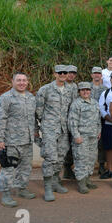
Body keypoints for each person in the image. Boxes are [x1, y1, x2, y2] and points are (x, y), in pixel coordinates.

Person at [0, 72, 36, 207]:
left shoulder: (31, 97)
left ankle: (22, 189)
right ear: (12, 82)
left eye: (24, 80)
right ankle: (6, 195)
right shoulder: (6, 98)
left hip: (27, 140)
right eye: (19, 80)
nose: (22, 83)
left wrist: (35, 133)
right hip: (11, 141)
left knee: (25, 168)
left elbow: (33, 118)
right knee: (9, 169)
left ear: (28, 82)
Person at [35, 65, 74, 202]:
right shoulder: (45, 90)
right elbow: (38, 111)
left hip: (64, 129)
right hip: (50, 129)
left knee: (61, 156)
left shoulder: (70, 90)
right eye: (60, 72)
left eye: (65, 72)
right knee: (50, 157)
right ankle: (47, 187)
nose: (63, 74)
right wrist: (43, 127)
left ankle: (56, 182)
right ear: (55, 74)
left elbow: (71, 109)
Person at [68, 82, 102, 194]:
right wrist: (76, 135)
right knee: (81, 159)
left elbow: (98, 120)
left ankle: (87, 179)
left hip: (93, 137)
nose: (85, 92)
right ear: (79, 92)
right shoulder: (76, 104)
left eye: (87, 90)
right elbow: (72, 122)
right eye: (83, 90)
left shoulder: (95, 103)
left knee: (91, 159)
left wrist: (98, 131)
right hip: (81, 137)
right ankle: (81, 183)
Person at [91, 66, 108, 175]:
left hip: (101, 119)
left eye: (99, 73)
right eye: (95, 73)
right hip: (88, 120)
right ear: (91, 75)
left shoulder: (105, 89)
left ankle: (101, 165)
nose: (97, 75)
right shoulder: (86, 87)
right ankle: (88, 167)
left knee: (102, 144)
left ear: (101, 75)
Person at [63, 64, 78, 180]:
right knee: (63, 146)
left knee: (72, 146)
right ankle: (65, 169)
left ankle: (69, 168)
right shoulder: (60, 85)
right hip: (61, 122)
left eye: (74, 73)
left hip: (73, 121)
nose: (71, 74)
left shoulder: (75, 86)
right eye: (69, 72)